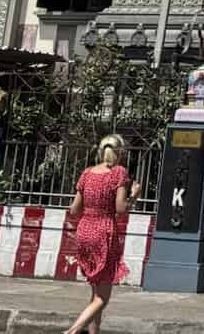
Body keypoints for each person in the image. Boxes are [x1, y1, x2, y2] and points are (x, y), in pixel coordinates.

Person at [65, 134, 132, 334]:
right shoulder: (118, 172)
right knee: (103, 298)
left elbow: (74, 210)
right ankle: (72, 331)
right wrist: (134, 195)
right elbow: (120, 208)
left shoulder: (87, 173)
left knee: (96, 293)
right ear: (120, 153)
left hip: (84, 231)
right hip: (104, 232)